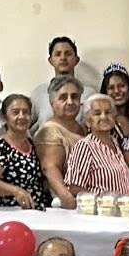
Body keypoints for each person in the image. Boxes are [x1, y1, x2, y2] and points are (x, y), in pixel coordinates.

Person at [64, 95, 129, 197]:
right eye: (97, 113)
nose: (104, 117)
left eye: (108, 112)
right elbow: (74, 187)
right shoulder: (85, 146)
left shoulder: (116, 143)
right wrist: (102, 201)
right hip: (100, 206)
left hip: (123, 205)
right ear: (88, 121)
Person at [0, 95, 50, 210]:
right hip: (11, 212)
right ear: (5, 118)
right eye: (15, 112)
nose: (21, 116)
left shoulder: (32, 144)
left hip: (37, 211)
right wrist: (16, 191)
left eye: (26, 112)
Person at [35, 75, 87, 208]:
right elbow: (49, 168)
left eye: (74, 97)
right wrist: (67, 198)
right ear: (52, 102)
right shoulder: (50, 132)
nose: (70, 102)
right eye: (63, 97)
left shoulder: (84, 128)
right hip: (63, 204)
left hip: (86, 200)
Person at [29, 35, 88, 119]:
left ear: (76, 59)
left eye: (68, 54)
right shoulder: (38, 93)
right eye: (58, 54)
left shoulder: (88, 94)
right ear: (50, 60)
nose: (63, 58)